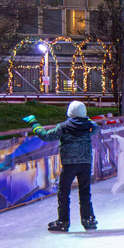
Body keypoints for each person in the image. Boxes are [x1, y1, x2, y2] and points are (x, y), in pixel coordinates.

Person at [46, 100, 98, 233]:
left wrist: (34, 124)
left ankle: (63, 221)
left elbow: (46, 136)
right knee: (85, 192)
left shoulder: (63, 127)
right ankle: (88, 220)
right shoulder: (89, 126)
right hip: (85, 163)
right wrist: (86, 119)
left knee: (64, 193)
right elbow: (96, 127)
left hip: (69, 164)